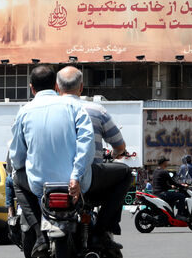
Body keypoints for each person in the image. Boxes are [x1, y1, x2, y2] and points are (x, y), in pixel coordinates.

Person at [9, 64, 95, 258]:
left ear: (32, 88)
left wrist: (20, 166)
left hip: (39, 186)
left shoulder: (24, 111)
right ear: (56, 86)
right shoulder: (74, 106)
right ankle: (101, 234)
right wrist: (75, 176)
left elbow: (17, 156)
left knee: (16, 180)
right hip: (75, 184)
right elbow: (87, 142)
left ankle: (40, 235)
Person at [56, 66, 129, 249]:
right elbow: (120, 146)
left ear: (57, 87)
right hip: (89, 178)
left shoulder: (45, 111)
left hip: (52, 177)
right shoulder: (96, 110)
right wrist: (115, 154)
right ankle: (103, 229)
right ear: (81, 87)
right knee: (126, 174)